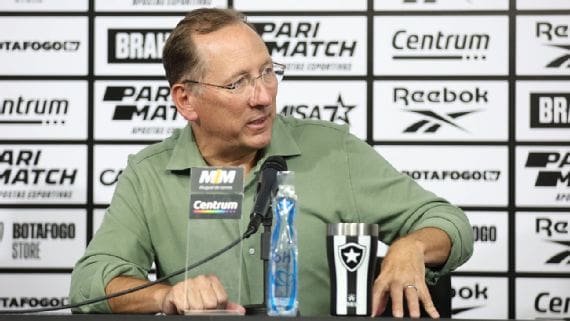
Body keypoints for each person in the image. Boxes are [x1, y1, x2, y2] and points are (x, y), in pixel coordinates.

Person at [69, 8, 473, 318]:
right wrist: (165, 294)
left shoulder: (333, 150)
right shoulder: (150, 174)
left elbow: (449, 222)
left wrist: (411, 246)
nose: (262, 96)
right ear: (186, 100)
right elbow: (89, 284)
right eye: (237, 83)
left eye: (266, 73)